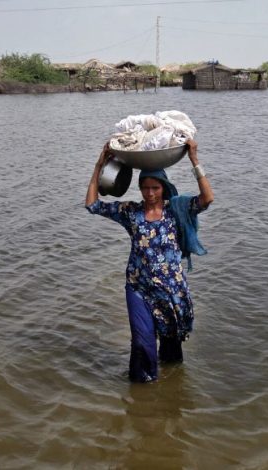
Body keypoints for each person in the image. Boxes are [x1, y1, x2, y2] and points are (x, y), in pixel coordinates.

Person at [85, 139, 214, 382]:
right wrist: (98, 166)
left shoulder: (176, 209)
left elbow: (207, 198)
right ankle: (142, 390)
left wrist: (194, 159)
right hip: (138, 288)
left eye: (155, 188)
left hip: (170, 289)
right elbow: (92, 205)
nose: (150, 193)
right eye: (145, 188)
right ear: (140, 188)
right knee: (143, 343)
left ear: (164, 187)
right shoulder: (130, 212)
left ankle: (168, 398)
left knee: (172, 354)